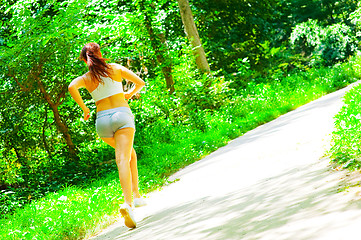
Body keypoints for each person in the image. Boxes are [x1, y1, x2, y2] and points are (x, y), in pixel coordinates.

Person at [68, 42, 146, 228]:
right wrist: (128, 93)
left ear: (85, 58)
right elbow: (140, 83)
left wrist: (85, 108)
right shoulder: (115, 68)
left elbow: (72, 86)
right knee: (122, 159)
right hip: (122, 115)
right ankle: (128, 203)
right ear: (100, 53)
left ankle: (137, 196)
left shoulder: (87, 78)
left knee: (129, 155)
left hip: (102, 121)